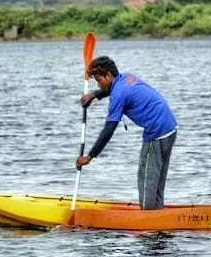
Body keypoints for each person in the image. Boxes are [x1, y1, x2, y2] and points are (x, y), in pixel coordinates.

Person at [76, 56, 178, 210]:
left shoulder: (118, 94)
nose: (98, 84)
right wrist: (94, 95)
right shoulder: (127, 77)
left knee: (146, 178)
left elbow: (109, 128)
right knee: (157, 178)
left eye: (98, 80)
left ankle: (148, 218)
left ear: (109, 75)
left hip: (156, 132)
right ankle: (158, 213)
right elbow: (112, 89)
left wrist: (90, 155)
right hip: (170, 127)